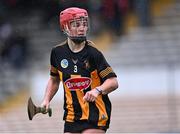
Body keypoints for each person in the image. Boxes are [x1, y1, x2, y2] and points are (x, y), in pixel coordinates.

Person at [41, 7, 119, 133]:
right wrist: (46, 99)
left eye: (84, 24)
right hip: (72, 117)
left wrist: (97, 90)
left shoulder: (94, 53)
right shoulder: (57, 53)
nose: (82, 28)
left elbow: (113, 81)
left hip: (95, 115)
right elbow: (54, 80)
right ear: (65, 27)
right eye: (76, 24)